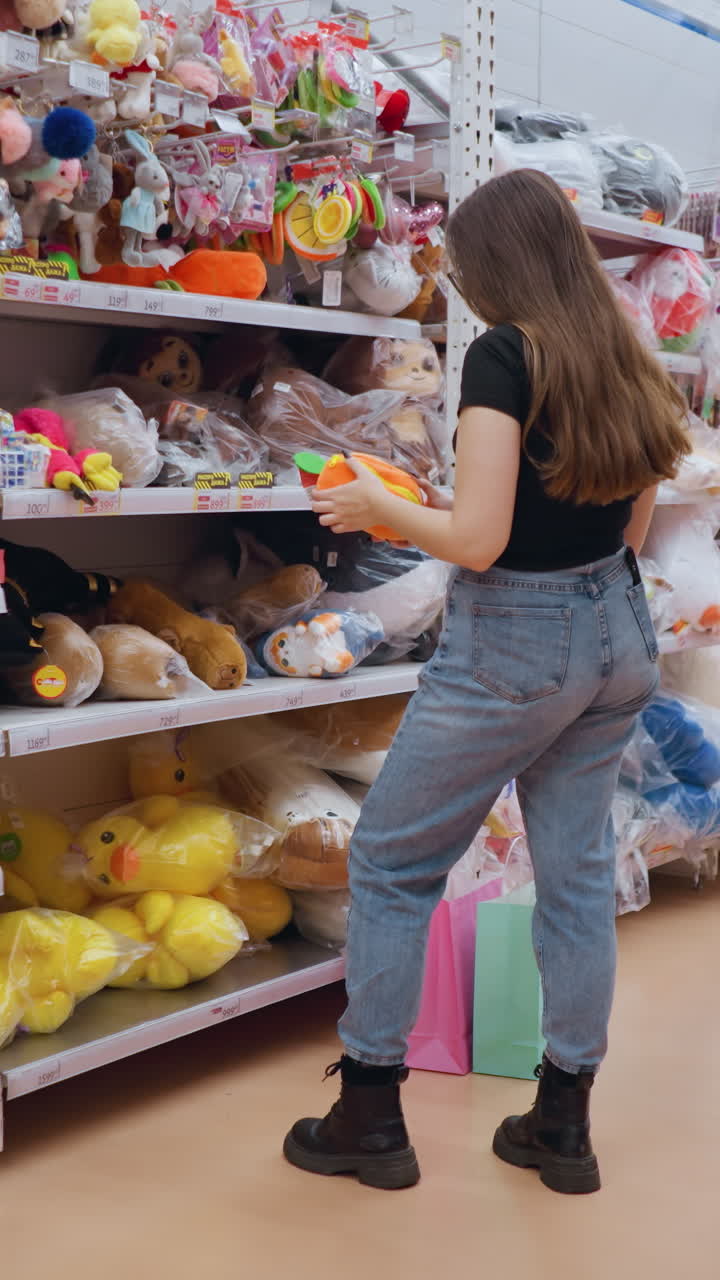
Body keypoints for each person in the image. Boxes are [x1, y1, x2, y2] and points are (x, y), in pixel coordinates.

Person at [283, 169, 690, 1195]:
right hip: (616, 632)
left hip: (515, 643)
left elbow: (478, 536)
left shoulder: (505, 356)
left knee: (388, 862)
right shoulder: (621, 352)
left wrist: (380, 506)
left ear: (498, 262)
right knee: (578, 875)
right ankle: (563, 1122)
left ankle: (370, 1110)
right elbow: (635, 517)